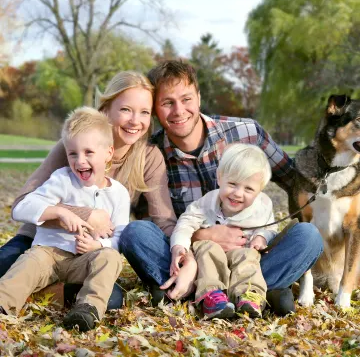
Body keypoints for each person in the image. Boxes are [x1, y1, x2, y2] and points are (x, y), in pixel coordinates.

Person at [119, 59, 324, 316]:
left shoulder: (247, 132)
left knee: (309, 236)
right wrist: (201, 236)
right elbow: (148, 222)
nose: (179, 110)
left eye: (186, 99)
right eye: (167, 103)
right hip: (191, 262)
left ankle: (236, 291)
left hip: (250, 259)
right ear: (156, 110)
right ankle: (247, 292)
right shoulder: (151, 154)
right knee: (136, 233)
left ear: (199, 97)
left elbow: (296, 180)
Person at [0, 71, 195, 308]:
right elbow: (22, 201)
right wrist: (86, 215)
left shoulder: (149, 156)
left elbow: (163, 220)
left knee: (112, 299)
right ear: (105, 111)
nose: (135, 121)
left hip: (88, 253)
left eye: (144, 112)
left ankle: (40, 291)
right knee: (6, 266)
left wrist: (188, 256)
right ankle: (37, 287)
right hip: (41, 244)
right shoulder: (75, 145)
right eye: (125, 110)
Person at [0, 107, 129, 332]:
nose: (80, 161)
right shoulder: (62, 179)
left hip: (84, 260)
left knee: (109, 258)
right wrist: (60, 212)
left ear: (108, 153)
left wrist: (99, 245)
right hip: (48, 254)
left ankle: (87, 309)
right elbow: (24, 208)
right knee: (28, 263)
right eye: (73, 153)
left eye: (88, 152)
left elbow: (120, 236)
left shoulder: (119, 194)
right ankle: (4, 302)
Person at [170, 143, 277, 319]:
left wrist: (261, 237)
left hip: (241, 253)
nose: (237, 193)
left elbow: (270, 228)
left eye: (248, 189)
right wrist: (179, 245)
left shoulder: (263, 206)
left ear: (259, 190)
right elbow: (185, 222)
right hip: (211, 257)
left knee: (248, 257)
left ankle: (249, 296)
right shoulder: (206, 202)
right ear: (220, 178)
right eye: (232, 184)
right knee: (207, 247)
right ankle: (212, 296)